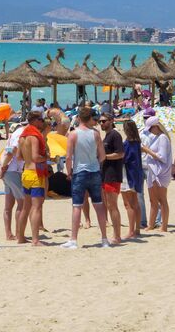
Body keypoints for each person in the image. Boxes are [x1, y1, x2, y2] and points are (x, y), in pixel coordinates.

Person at [62, 107, 110, 249]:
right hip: (94, 171)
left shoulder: (73, 134)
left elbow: (69, 157)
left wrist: (69, 172)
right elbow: (102, 156)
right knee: (98, 205)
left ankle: (74, 240)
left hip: (79, 172)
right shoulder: (95, 134)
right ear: (89, 118)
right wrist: (95, 163)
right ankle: (104, 239)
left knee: (77, 206)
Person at [15, 111, 49, 246]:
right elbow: (36, 157)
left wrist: (28, 158)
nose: (42, 122)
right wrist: (46, 158)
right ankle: (35, 239)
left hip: (26, 173)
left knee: (25, 207)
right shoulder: (34, 136)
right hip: (36, 174)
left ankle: (21, 237)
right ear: (34, 120)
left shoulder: (22, 136)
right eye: (40, 120)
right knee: (36, 207)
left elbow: (18, 157)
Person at [143, 116, 172, 232]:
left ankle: (164, 226)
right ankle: (151, 224)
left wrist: (147, 150)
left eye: (150, 129)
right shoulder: (156, 137)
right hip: (152, 171)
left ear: (156, 127)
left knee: (162, 199)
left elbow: (162, 157)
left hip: (160, 172)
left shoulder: (163, 138)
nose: (149, 131)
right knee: (153, 200)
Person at [99, 113, 124, 244]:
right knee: (108, 205)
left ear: (111, 121)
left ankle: (117, 235)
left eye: (104, 121)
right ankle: (115, 234)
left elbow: (120, 154)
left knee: (112, 205)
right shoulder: (107, 136)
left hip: (113, 174)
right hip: (105, 174)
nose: (101, 123)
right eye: (100, 122)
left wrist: (104, 157)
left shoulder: (115, 135)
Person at [0, 124, 26, 241]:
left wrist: (2, 168)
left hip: (8, 171)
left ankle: (9, 234)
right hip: (13, 171)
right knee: (22, 203)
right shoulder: (19, 135)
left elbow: (7, 153)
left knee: (8, 206)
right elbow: (11, 153)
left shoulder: (12, 136)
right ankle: (19, 234)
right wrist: (3, 167)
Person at [120, 120, 147, 239]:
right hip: (136, 174)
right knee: (135, 203)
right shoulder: (137, 142)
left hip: (128, 175)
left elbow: (125, 159)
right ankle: (137, 229)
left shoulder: (128, 143)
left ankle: (131, 231)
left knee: (128, 204)